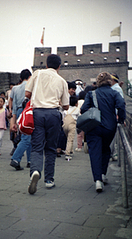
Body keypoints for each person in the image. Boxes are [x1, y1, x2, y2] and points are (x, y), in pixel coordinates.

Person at [25, 54, 69, 194]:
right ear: (59, 66)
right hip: (53, 115)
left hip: (37, 113)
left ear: (46, 65)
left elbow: (27, 93)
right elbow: (67, 106)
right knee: (50, 148)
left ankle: (35, 171)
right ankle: (49, 180)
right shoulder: (62, 81)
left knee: (37, 146)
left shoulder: (37, 74)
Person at [80, 72, 126, 193]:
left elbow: (83, 109)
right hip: (109, 128)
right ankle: (103, 174)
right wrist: (121, 119)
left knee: (95, 152)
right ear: (110, 81)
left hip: (94, 127)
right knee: (106, 149)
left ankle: (98, 180)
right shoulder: (114, 93)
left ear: (98, 82)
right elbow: (121, 105)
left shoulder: (91, 93)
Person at [9, 69, 32, 170]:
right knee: (27, 137)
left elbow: (13, 106)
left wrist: (13, 122)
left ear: (20, 78)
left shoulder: (15, 88)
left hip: (18, 111)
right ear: (30, 77)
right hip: (28, 111)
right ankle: (15, 159)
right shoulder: (31, 86)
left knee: (27, 136)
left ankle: (30, 160)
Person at [57, 81, 76, 157]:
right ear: (68, 89)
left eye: (74, 90)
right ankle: (58, 149)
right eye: (72, 89)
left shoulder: (68, 95)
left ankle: (60, 149)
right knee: (60, 133)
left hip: (63, 116)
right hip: (60, 115)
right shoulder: (64, 95)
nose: (73, 91)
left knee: (63, 134)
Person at [63, 95, 80, 160]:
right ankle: (67, 153)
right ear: (76, 103)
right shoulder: (77, 109)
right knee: (70, 139)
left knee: (68, 137)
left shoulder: (66, 109)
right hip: (72, 125)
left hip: (65, 125)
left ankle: (71, 150)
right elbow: (79, 117)